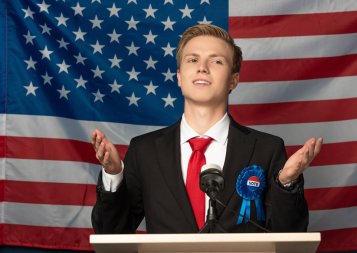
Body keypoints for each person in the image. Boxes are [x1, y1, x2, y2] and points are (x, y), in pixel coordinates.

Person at [91, 24, 323, 234]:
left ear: (233, 80)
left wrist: (286, 183)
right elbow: (111, 233)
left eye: (216, 61)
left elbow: (290, 234)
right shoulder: (144, 151)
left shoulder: (267, 149)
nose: (202, 68)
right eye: (192, 60)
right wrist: (113, 175)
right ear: (179, 77)